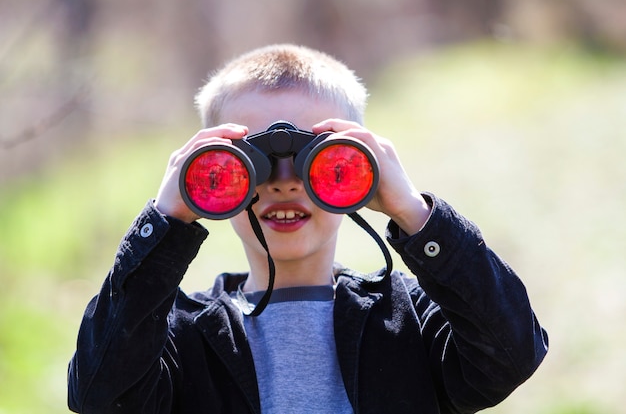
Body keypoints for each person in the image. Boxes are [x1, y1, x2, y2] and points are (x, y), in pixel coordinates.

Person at [67, 44, 548, 414]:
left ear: (365, 167)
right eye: (246, 166)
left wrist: (415, 212)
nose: (282, 184)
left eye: (319, 160)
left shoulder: (410, 320)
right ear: (205, 173)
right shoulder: (179, 333)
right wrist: (165, 223)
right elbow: (101, 396)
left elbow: (511, 354)